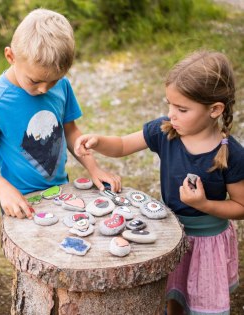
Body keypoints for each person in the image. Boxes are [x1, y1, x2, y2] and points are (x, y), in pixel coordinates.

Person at [74, 50, 244, 315]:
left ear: (215, 109)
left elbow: (241, 206)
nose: (171, 115)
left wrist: (205, 204)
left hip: (207, 243)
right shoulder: (165, 131)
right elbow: (121, 145)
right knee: (173, 298)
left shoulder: (231, 154)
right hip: (170, 236)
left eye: (181, 109)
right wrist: (98, 141)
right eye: (169, 105)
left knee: (204, 306)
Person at [0, 8, 121, 220]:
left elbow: (70, 130)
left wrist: (94, 168)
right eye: (35, 81)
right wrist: (2, 189)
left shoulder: (61, 85)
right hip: (21, 201)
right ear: (10, 56)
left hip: (61, 190)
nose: (45, 89)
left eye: (53, 80)